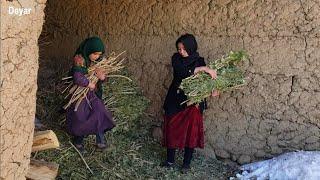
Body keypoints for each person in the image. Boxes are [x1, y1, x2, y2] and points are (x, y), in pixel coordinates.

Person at [162, 34, 219, 173]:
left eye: (183, 49)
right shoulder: (176, 59)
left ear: (191, 48)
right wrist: (202, 69)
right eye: (179, 49)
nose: (181, 51)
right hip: (176, 100)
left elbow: (206, 81)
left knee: (191, 133)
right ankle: (170, 160)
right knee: (171, 129)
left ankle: (186, 164)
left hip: (192, 102)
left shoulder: (199, 60)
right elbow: (181, 73)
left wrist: (214, 88)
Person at [66, 36, 115, 152]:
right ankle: (78, 141)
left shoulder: (98, 62)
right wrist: (88, 84)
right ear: (88, 50)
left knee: (99, 112)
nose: (97, 57)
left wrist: (102, 77)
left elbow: (102, 77)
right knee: (82, 117)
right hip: (81, 96)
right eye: (95, 54)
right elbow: (77, 78)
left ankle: (100, 141)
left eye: (99, 54)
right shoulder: (80, 60)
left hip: (93, 95)